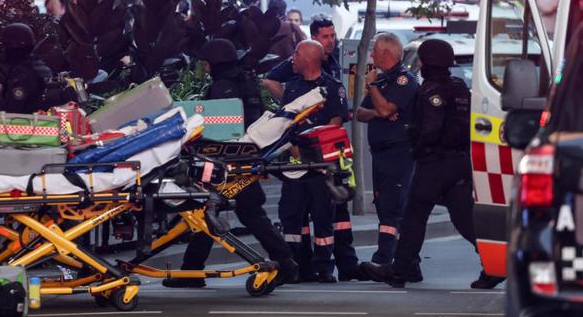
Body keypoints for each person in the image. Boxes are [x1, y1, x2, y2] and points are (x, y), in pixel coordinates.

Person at [360, 39, 505, 289]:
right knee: (464, 218)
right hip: (459, 162)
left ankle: (400, 269)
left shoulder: (432, 91)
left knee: (414, 214)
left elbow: (431, 129)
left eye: (423, 60)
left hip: (435, 162)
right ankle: (495, 266)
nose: (421, 64)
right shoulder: (459, 86)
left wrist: (416, 144)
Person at [162, 39, 298, 288]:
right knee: (221, 213)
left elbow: (218, 127)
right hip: (243, 155)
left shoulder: (223, 87)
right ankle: (192, 270)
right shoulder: (244, 81)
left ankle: (285, 264)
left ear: (210, 64)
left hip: (227, 160)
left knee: (217, 211)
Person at [278, 40, 364, 283]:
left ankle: (323, 267)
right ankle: (297, 266)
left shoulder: (332, 86)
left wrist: (312, 142)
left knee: (323, 214)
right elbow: (285, 121)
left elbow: (335, 123)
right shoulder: (292, 87)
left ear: (308, 58)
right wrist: (294, 145)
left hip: (321, 161)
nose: (292, 58)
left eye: (296, 53)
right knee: (292, 213)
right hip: (296, 161)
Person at [355, 34, 418, 269]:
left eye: (375, 52)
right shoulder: (383, 82)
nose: (371, 56)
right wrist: (379, 109)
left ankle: (384, 259)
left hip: (399, 153)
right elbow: (361, 113)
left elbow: (384, 109)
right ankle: (410, 262)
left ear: (387, 53)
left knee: (393, 207)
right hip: (381, 153)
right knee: (384, 206)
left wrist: (373, 91)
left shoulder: (404, 81)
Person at [263, 17, 339, 100]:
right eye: (325, 37)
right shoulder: (300, 60)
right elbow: (269, 81)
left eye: (332, 36)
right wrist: (291, 104)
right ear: (314, 38)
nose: (331, 41)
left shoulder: (337, 58)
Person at [0, 23, 53, 114]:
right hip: (42, 122)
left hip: (26, 125)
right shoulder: (40, 66)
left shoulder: (21, 74)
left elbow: (10, 112)